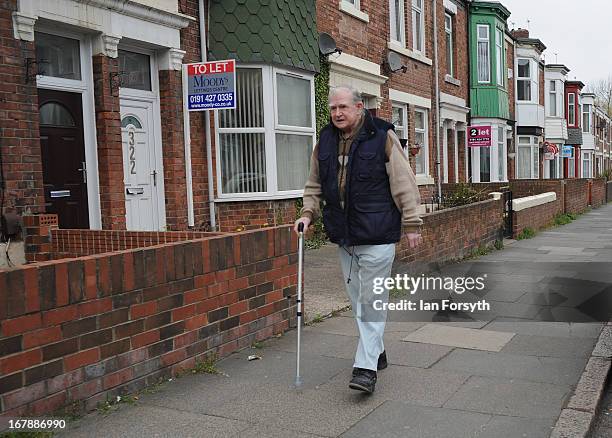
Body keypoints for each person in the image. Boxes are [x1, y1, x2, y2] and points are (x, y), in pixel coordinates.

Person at [294, 85, 423, 393]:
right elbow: (314, 184)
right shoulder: (324, 141)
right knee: (358, 302)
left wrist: (413, 222)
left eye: (344, 107)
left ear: (359, 107)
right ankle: (376, 350)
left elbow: (403, 181)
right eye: (334, 108)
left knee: (371, 301)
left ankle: (365, 370)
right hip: (345, 238)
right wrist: (307, 214)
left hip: (378, 236)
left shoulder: (382, 136)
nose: (338, 113)